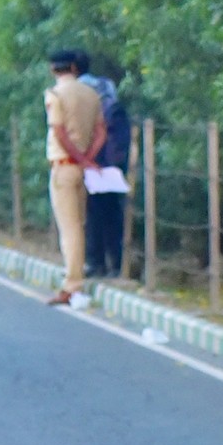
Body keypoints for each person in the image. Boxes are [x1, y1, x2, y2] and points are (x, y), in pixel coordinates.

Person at [43, 49, 106, 307]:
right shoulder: (91, 94)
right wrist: (88, 158)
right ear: (74, 67)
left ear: (53, 69)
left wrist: (78, 158)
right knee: (79, 223)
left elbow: (59, 132)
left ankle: (72, 284)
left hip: (64, 165)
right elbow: (101, 132)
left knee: (69, 228)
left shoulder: (55, 95)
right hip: (84, 168)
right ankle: (76, 276)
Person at [79, 57, 132, 281]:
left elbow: (117, 144)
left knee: (107, 217)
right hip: (97, 169)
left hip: (105, 171)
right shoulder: (105, 109)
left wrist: (104, 165)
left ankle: (112, 264)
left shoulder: (111, 111)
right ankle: (99, 263)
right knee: (96, 217)